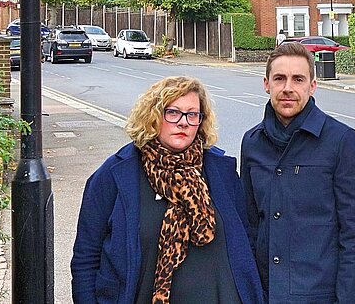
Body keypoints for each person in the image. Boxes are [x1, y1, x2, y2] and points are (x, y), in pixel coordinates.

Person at [71, 76, 264, 304]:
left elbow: (246, 241)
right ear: (153, 116)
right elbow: (86, 258)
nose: (183, 122)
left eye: (192, 115)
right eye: (173, 112)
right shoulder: (115, 175)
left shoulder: (222, 171)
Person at [240, 42, 355, 304]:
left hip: (319, 295)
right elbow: (251, 223)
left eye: (298, 79)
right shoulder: (252, 142)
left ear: (312, 86)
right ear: (266, 84)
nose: (288, 88)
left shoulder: (341, 141)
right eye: (280, 79)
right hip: (265, 294)